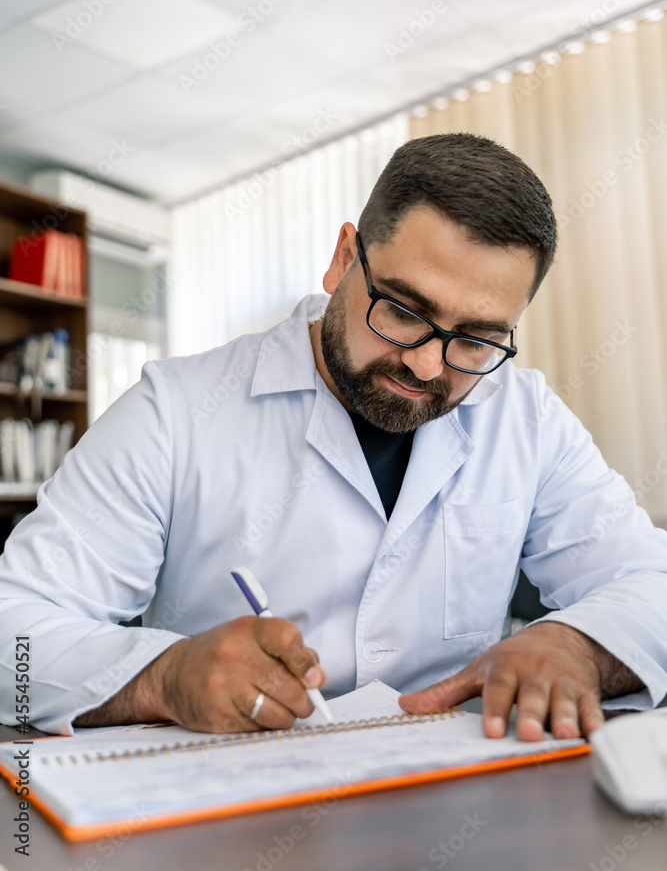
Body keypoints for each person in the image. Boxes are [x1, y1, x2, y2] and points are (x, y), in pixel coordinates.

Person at [1, 133, 666, 743]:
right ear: (343, 259)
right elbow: (15, 629)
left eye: (477, 338)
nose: (427, 365)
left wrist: (581, 643)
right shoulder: (174, 412)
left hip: (455, 804)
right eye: (404, 311)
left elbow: (647, 579)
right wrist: (161, 676)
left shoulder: (526, 418)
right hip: (226, 809)